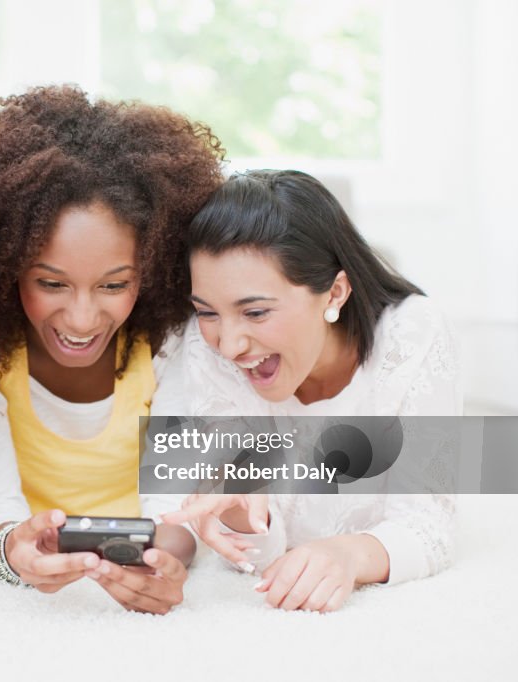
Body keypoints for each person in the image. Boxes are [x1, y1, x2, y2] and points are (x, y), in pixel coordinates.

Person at [0, 84, 227, 614]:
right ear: (5, 268)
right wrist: (14, 553)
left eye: (114, 285)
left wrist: (160, 563)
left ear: (152, 272)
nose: (81, 318)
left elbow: (175, 508)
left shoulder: (169, 346)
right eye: (51, 284)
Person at [161, 169, 459, 612]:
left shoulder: (412, 336)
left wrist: (350, 555)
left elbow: (429, 524)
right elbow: (258, 552)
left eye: (256, 312)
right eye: (207, 312)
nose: (229, 343)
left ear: (335, 292)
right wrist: (240, 511)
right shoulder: (208, 351)